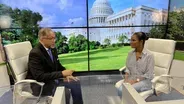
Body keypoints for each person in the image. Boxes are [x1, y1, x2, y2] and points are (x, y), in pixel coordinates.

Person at [26, 28, 83, 104]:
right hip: (41, 85)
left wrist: (67, 75)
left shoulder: (52, 49)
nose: (54, 40)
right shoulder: (35, 53)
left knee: (75, 82)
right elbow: (39, 76)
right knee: (68, 89)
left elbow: (58, 66)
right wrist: (62, 74)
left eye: (54, 38)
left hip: (52, 80)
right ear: (42, 39)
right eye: (51, 38)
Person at [116, 32, 154, 98]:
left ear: (141, 41)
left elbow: (148, 75)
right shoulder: (130, 53)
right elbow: (128, 69)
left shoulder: (149, 56)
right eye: (130, 40)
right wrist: (126, 80)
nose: (130, 42)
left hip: (144, 81)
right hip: (131, 78)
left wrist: (134, 81)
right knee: (123, 89)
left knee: (122, 90)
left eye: (133, 40)